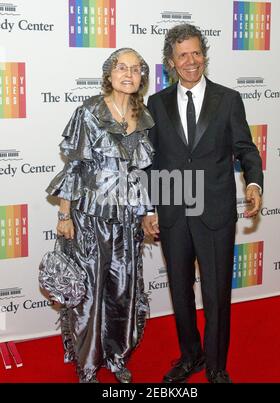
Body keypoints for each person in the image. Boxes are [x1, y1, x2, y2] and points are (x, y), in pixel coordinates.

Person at [142, 24, 263, 383]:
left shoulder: (228, 99)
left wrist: (253, 182)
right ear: (171, 62)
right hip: (174, 207)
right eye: (183, 55)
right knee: (180, 291)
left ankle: (215, 365)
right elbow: (151, 160)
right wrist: (149, 209)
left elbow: (246, 149)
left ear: (204, 55)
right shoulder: (156, 103)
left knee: (216, 293)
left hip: (215, 211)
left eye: (196, 53)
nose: (191, 61)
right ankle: (190, 356)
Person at [46, 48, 154, 383]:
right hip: (90, 217)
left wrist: (147, 210)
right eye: (122, 67)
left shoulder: (144, 115)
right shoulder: (89, 112)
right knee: (90, 294)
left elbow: (141, 171)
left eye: (136, 69)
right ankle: (89, 365)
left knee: (123, 289)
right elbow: (74, 167)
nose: (129, 74)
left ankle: (117, 355)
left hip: (126, 220)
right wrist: (65, 216)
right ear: (108, 74)